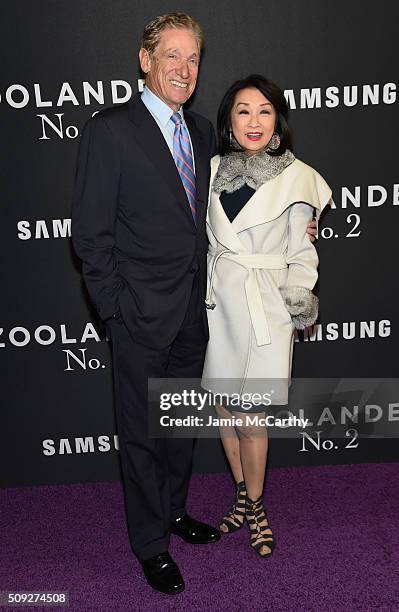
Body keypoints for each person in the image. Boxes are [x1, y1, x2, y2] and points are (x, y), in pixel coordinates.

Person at [72, 12, 317, 594]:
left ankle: (174, 512)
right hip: (138, 314)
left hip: (195, 310)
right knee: (140, 432)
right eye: (172, 56)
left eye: (193, 58)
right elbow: (90, 236)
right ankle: (150, 543)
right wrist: (114, 308)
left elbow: (240, 204)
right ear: (145, 59)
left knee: (178, 424)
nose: (184, 69)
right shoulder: (111, 131)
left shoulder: (205, 132)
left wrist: (298, 228)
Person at [201, 74, 332, 558]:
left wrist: (300, 299)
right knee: (224, 409)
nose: (253, 121)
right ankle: (240, 491)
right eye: (242, 110)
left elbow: (303, 253)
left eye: (263, 110)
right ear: (229, 121)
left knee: (252, 417)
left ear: (277, 120)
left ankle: (255, 507)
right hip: (218, 307)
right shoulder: (209, 169)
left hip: (266, 309)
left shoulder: (298, 178)